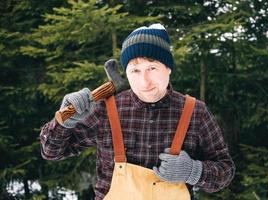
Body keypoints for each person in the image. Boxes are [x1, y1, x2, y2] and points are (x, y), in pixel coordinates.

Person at [40, 23, 235, 200]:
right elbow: (51, 152)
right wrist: (65, 121)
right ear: (126, 73)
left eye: (152, 67)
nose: (145, 81)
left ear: (168, 68)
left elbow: (225, 171)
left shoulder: (195, 112)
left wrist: (193, 171)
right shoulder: (107, 110)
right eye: (135, 70)